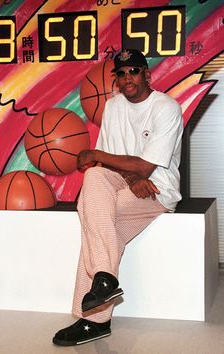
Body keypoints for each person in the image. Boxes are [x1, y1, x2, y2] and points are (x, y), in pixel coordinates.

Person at [53, 48, 184, 346]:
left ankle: (94, 320)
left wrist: (129, 171)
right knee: (94, 177)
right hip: (125, 183)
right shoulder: (112, 107)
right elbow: (109, 165)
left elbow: (146, 166)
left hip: (157, 189)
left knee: (94, 222)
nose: (128, 78)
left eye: (134, 71)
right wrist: (130, 176)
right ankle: (105, 280)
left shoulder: (166, 107)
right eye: (121, 74)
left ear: (147, 74)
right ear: (116, 79)